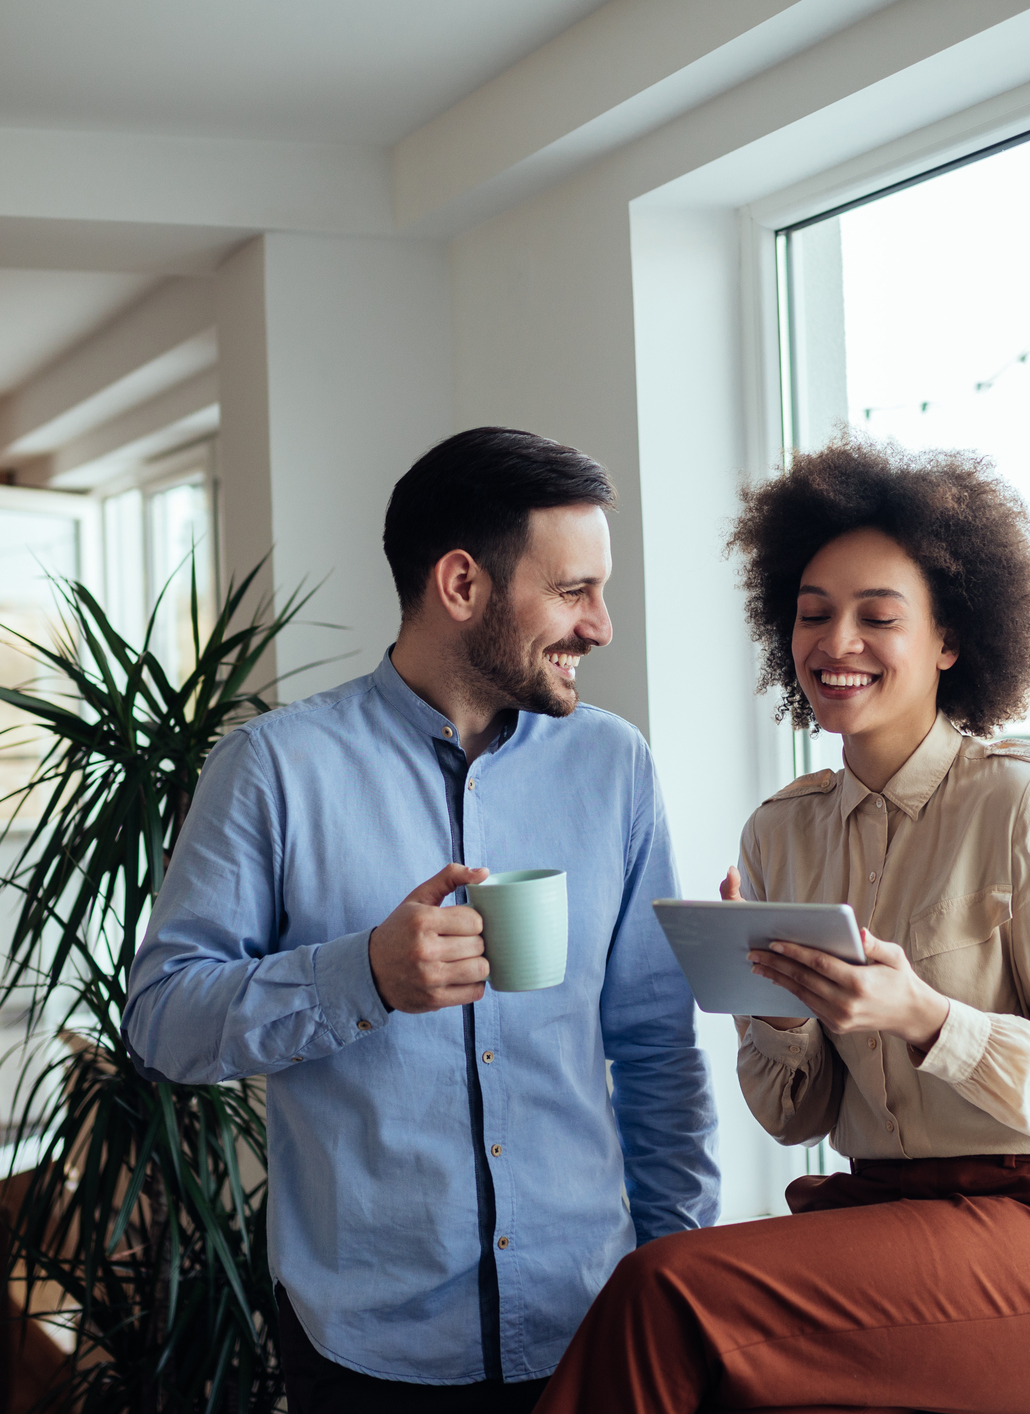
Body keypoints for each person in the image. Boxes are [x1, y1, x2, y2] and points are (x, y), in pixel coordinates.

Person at [534, 438, 1030, 1414]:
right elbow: (795, 1116)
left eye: (878, 616)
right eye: (812, 614)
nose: (836, 641)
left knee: (665, 1289)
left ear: (950, 639)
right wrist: (764, 1005)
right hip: (890, 1225)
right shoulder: (779, 833)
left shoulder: (1018, 807)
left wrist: (925, 1017)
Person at [123, 427, 721, 1414]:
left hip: (591, 1325)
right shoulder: (273, 770)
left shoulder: (616, 767)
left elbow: (655, 1045)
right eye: (573, 590)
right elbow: (162, 1021)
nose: (602, 625)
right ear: (461, 584)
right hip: (367, 1352)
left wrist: (675, 1270)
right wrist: (359, 976)